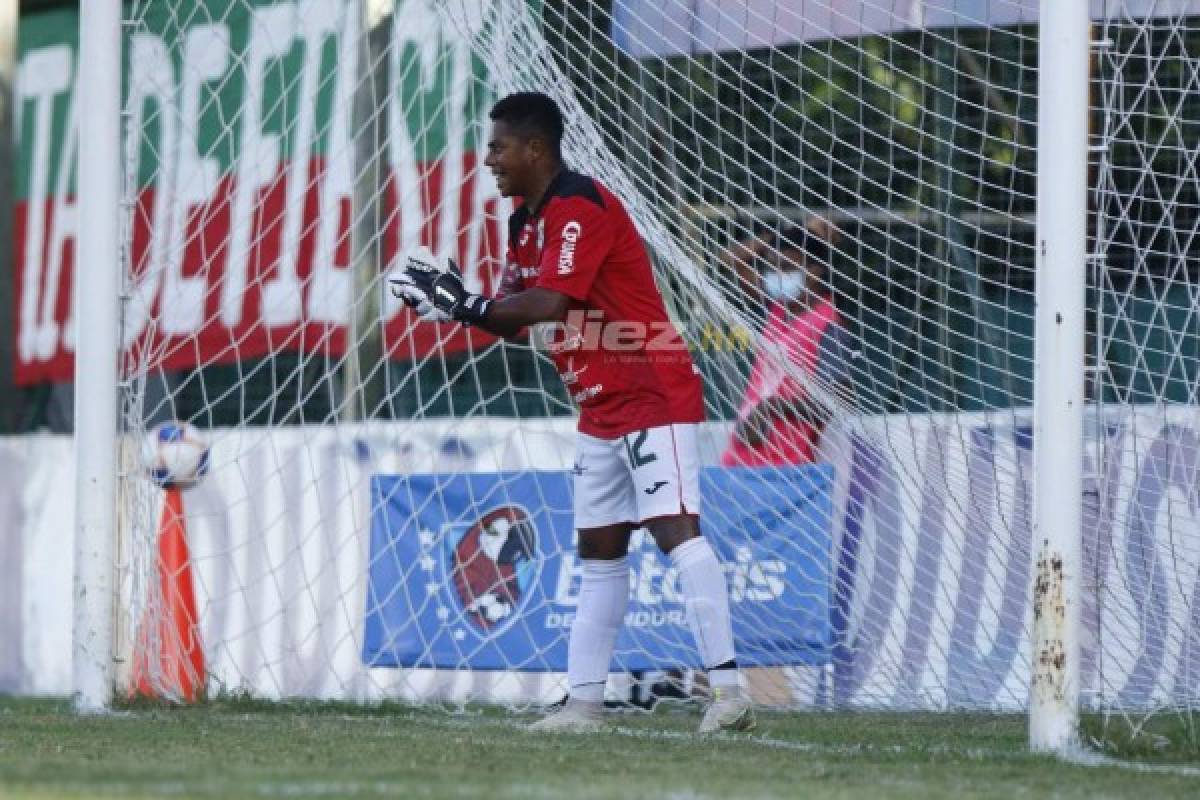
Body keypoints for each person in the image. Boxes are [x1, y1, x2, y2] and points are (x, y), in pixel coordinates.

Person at [390, 91, 753, 734]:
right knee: (599, 552)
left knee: (674, 531)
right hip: (597, 407)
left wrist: (466, 304)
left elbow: (552, 303)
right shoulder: (522, 223)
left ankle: (729, 694)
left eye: (499, 146)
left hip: (650, 389)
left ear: (536, 149)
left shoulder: (578, 207)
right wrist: (453, 305)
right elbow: (509, 315)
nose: (491, 159)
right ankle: (583, 707)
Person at [720, 223, 853, 468]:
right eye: (772, 268)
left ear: (814, 272)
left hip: (785, 468)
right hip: (742, 459)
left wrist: (772, 408)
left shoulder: (828, 324)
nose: (776, 276)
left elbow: (841, 400)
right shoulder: (779, 309)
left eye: (787, 268)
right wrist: (783, 232)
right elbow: (731, 260)